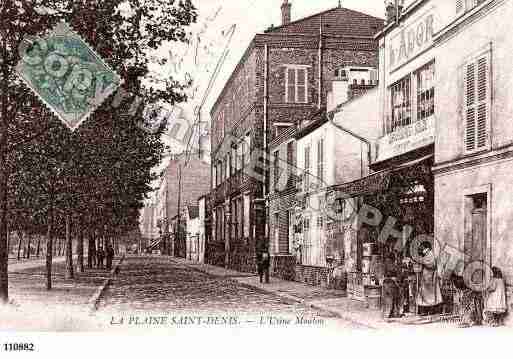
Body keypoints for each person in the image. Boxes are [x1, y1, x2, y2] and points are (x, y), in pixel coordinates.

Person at [416, 242, 443, 316]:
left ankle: (432, 310)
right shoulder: (426, 255)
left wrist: (422, 261)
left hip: (430, 277)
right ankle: (425, 310)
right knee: (425, 294)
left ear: (426, 248)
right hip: (426, 277)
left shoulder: (430, 254)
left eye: (423, 248)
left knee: (431, 295)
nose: (422, 250)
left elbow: (432, 264)